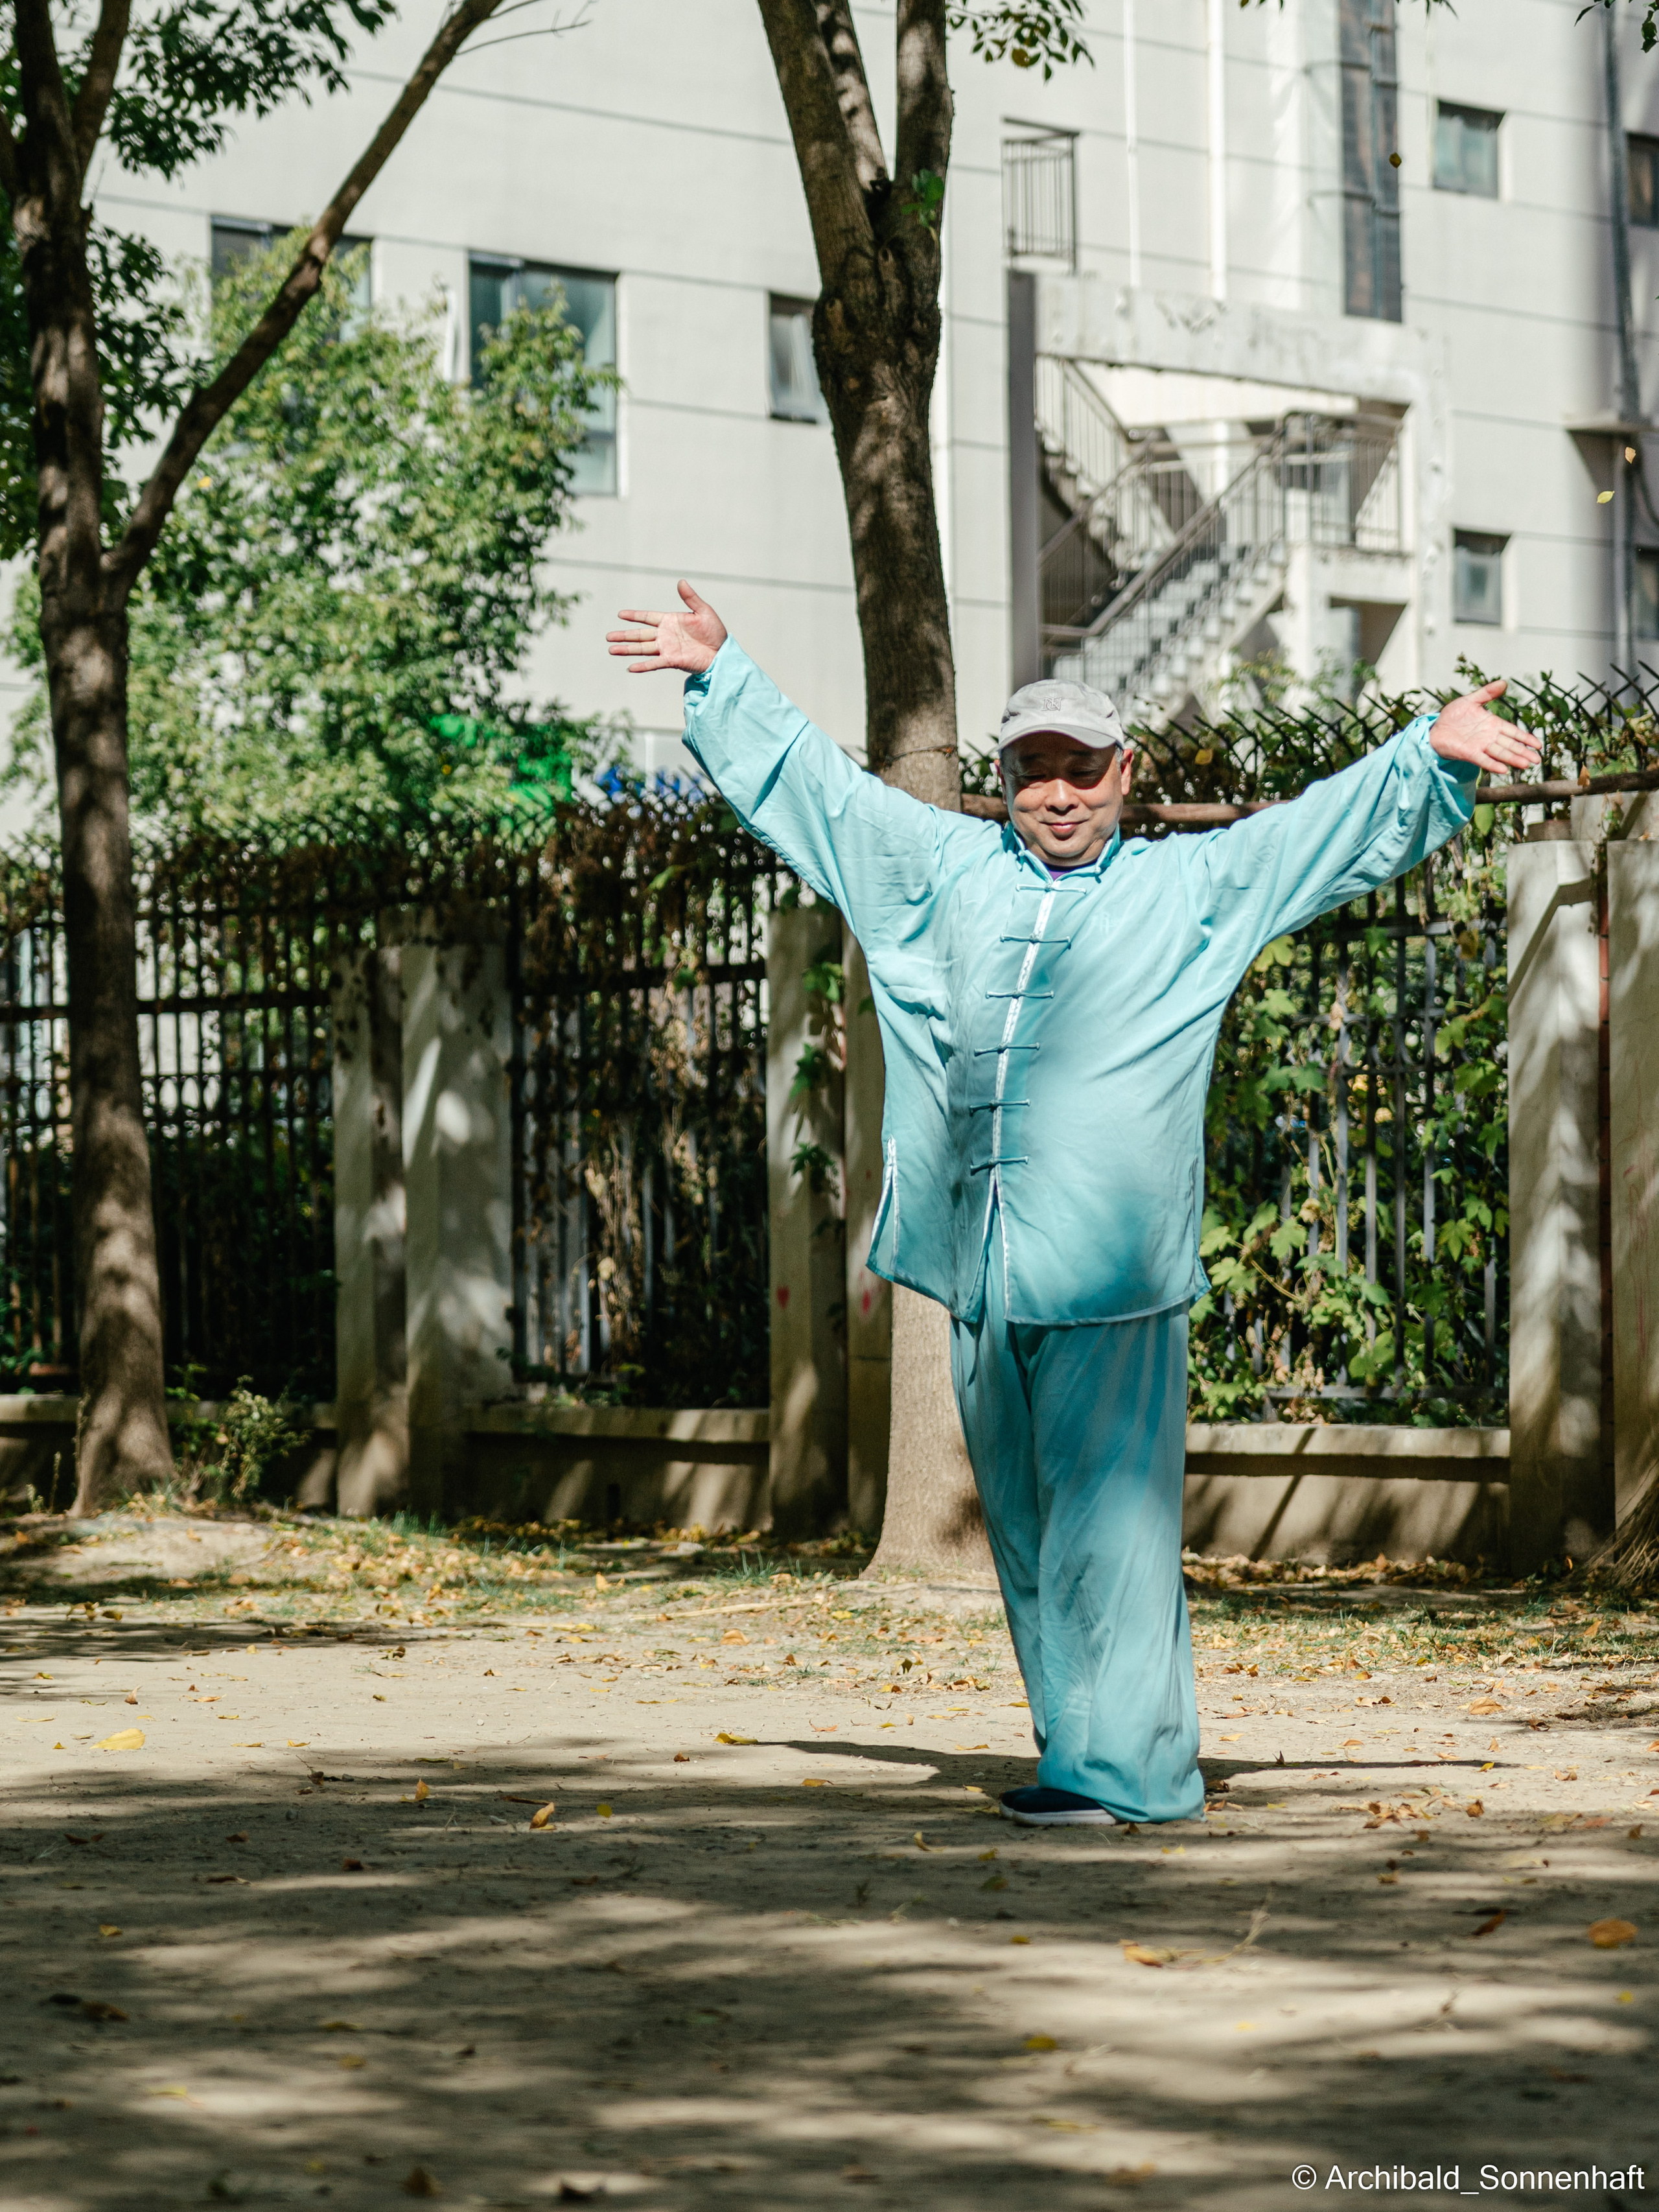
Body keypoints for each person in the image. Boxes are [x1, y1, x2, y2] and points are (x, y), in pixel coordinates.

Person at [607, 583, 1541, 1827]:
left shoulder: (1188, 888)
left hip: (1109, 1279)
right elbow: (832, 806)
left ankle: (1138, 1776)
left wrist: (1425, 753)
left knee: (1117, 1536)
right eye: (1033, 768)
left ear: (1123, 770)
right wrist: (724, 679)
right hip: (982, 1268)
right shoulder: (945, 867)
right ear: (1003, 777)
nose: (1056, 792)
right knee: (1035, 1538)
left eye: (1080, 767)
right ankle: (1076, 1758)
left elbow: (1311, 837)